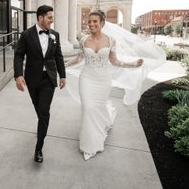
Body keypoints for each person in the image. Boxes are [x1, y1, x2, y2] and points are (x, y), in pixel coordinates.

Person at [66, 10, 165, 161]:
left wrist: (132, 64)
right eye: (89, 21)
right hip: (86, 79)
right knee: (88, 108)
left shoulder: (111, 41)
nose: (91, 24)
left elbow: (114, 61)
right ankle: (89, 145)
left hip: (103, 81)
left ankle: (98, 130)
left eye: (95, 21)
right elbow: (78, 58)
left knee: (97, 108)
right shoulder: (84, 40)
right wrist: (62, 65)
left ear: (102, 23)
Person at [14, 5, 67, 163]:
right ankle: (41, 127)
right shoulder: (26, 34)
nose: (52, 20)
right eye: (49, 18)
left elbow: (58, 56)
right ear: (40, 18)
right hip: (32, 79)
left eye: (52, 18)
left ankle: (38, 148)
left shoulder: (55, 35)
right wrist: (18, 75)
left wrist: (62, 75)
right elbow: (18, 55)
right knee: (39, 111)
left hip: (49, 79)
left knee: (44, 112)